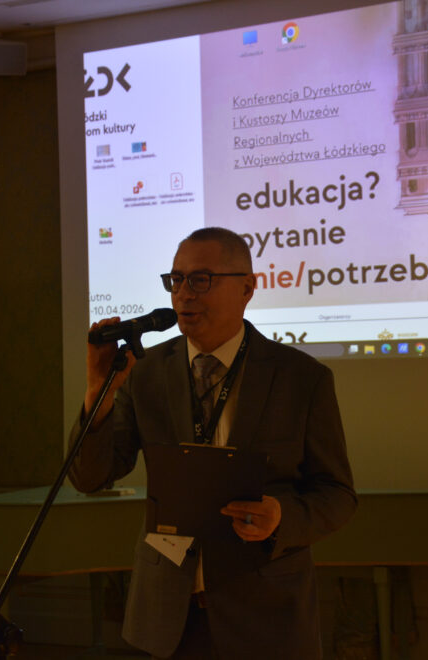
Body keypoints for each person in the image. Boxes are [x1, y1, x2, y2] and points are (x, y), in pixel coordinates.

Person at [69, 227, 356, 659]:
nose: (184, 293)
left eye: (201, 279)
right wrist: (99, 391)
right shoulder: (144, 373)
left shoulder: (301, 378)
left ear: (247, 288)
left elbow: (338, 494)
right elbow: (89, 477)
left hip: (266, 618)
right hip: (167, 619)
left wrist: (282, 516)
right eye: (176, 280)